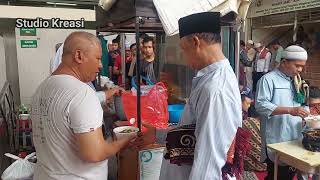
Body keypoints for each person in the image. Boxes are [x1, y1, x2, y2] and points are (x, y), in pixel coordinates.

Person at [141, 12, 242, 180]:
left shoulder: (216, 89)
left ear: (195, 42)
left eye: (184, 49)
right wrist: (158, 134)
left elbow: (208, 164)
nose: (185, 58)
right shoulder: (209, 79)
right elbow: (194, 134)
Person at [30, 32, 136, 180]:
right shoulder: (82, 93)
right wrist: (125, 139)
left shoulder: (41, 88)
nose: (100, 65)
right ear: (79, 56)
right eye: (98, 58)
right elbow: (95, 153)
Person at [255, 45, 310, 180]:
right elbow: (261, 105)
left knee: (289, 175)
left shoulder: (297, 81)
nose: (300, 70)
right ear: (284, 62)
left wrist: (306, 115)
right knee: (278, 175)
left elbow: (302, 104)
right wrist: (290, 110)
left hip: (295, 136)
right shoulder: (268, 79)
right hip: (277, 138)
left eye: (302, 66)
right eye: (297, 66)